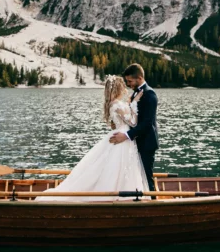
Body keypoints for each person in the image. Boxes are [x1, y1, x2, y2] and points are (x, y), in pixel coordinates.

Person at [35, 74, 150, 201]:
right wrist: (134, 103)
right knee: (119, 166)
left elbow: (121, 119)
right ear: (118, 88)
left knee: (114, 166)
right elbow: (133, 122)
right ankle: (119, 196)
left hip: (119, 134)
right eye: (123, 86)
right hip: (122, 138)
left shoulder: (113, 104)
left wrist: (129, 104)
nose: (125, 88)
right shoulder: (117, 104)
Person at [109, 63, 160, 192]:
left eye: (130, 81)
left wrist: (126, 136)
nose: (128, 84)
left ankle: (153, 201)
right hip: (134, 143)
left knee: (146, 177)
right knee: (136, 176)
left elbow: (147, 123)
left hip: (146, 143)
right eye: (127, 81)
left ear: (139, 78)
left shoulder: (150, 94)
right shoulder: (136, 94)